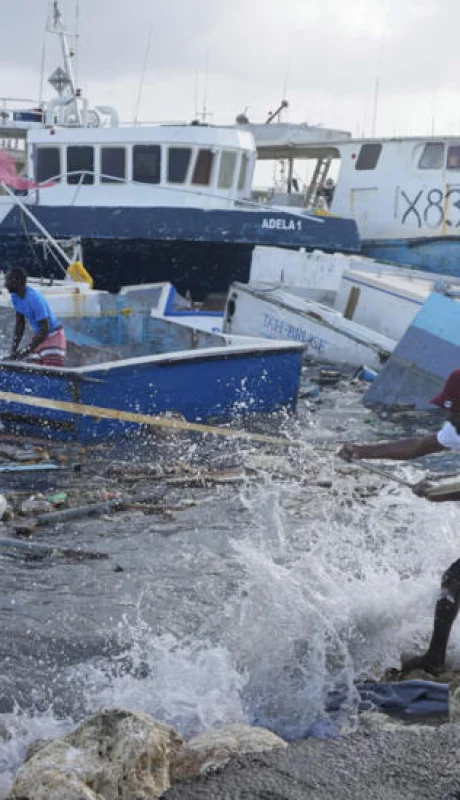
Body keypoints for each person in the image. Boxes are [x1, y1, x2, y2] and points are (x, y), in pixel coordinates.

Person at [339, 368, 460, 675]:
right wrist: (363, 451)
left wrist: (439, 494)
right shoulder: (457, 428)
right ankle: (434, 658)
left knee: (454, 580)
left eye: (454, 411)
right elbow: (417, 446)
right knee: (454, 581)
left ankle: (433, 660)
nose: (449, 420)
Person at [4, 267, 66, 367]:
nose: (5, 284)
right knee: (30, 369)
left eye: (7, 280)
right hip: (40, 337)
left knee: (50, 373)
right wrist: (13, 351)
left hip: (53, 336)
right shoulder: (15, 296)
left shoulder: (34, 299)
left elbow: (44, 330)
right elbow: (20, 325)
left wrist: (24, 351)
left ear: (17, 281)